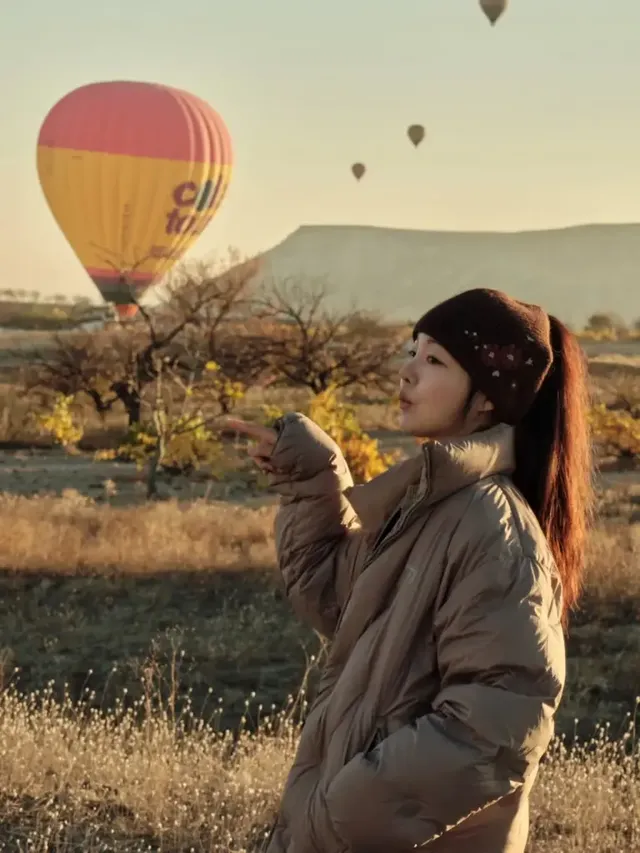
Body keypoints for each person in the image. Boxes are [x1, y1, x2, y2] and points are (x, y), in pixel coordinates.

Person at [227, 288, 594, 853]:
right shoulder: (430, 503)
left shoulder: (490, 525)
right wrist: (312, 479)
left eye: (434, 361)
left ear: (486, 400)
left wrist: (339, 812)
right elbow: (333, 598)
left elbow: (497, 723)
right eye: (412, 350)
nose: (406, 373)